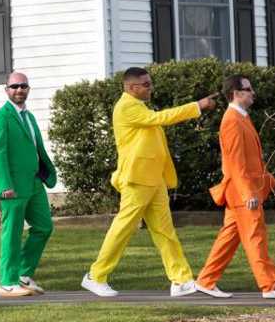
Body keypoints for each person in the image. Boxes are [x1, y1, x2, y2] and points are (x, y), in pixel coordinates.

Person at [81, 66, 217, 298]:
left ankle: (181, 280)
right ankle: (96, 276)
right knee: (123, 228)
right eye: (146, 84)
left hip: (153, 179)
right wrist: (197, 107)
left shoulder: (138, 106)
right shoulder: (126, 107)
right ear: (132, 88)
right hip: (136, 179)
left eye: (150, 83)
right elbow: (161, 118)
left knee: (165, 231)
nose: (150, 87)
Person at [196, 75, 275, 299]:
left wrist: (272, 181)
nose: (253, 93)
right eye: (248, 89)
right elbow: (235, 162)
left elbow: (253, 160)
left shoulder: (242, 117)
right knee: (255, 236)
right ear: (236, 93)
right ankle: (270, 286)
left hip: (243, 190)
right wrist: (248, 193)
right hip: (242, 192)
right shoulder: (231, 120)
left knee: (229, 237)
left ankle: (206, 281)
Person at [0, 72, 57, 297]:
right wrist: (5, 184)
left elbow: (35, 148)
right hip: (12, 187)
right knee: (12, 233)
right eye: (14, 86)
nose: (19, 90)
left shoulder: (29, 117)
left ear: (28, 89)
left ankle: (23, 275)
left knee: (44, 227)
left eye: (23, 86)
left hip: (35, 182)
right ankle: (7, 283)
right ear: (6, 89)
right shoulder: (0, 116)